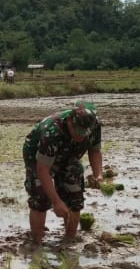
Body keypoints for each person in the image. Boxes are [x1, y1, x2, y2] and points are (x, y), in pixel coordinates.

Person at [22, 104, 104, 243]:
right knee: (40, 197)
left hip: (70, 155)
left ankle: (69, 241)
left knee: (75, 196)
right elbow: (43, 171)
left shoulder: (93, 125)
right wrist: (56, 201)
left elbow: (94, 151)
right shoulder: (52, 132)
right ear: (70, 121)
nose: (80, 136)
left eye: (84, 133)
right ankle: (36, 242)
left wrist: (98, 175)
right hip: (38, 156)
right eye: (77, 131)